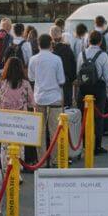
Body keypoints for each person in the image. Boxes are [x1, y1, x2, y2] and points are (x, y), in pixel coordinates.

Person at [0, 56, 34, 172]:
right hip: (21, 120)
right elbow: (31, 102)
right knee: (19, 146)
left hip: (4, 120)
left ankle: (6, 170)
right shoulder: (25, 84)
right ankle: (17, 171)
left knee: (5, 146)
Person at [28, 34, 65, 164]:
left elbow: (31, 78)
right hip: (55, 98)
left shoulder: (33, 59)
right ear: (50, 44)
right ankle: (55, 160)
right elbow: (61, 80)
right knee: (55, 130)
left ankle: (41, 161)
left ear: (38, 45)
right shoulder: (57, 59)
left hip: (39, 98)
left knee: (40, 131)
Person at [76, 30, 108, 155]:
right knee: (98, 118)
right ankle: (97, 146)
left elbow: (78, 72)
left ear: (88, 41)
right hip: (98, 88)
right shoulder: (103, 55)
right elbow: (106, 75)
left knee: (84, 117)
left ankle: (85, 144)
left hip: (84, 88)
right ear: (100, 42)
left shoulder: (81, 54)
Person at [50, 26, 77, 107]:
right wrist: (72, 78)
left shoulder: (50, 50)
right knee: (66, 108)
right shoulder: (67, 49)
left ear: (51, 37)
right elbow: (73, 66)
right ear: (61, 36)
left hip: (52, 84)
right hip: (66, 82)